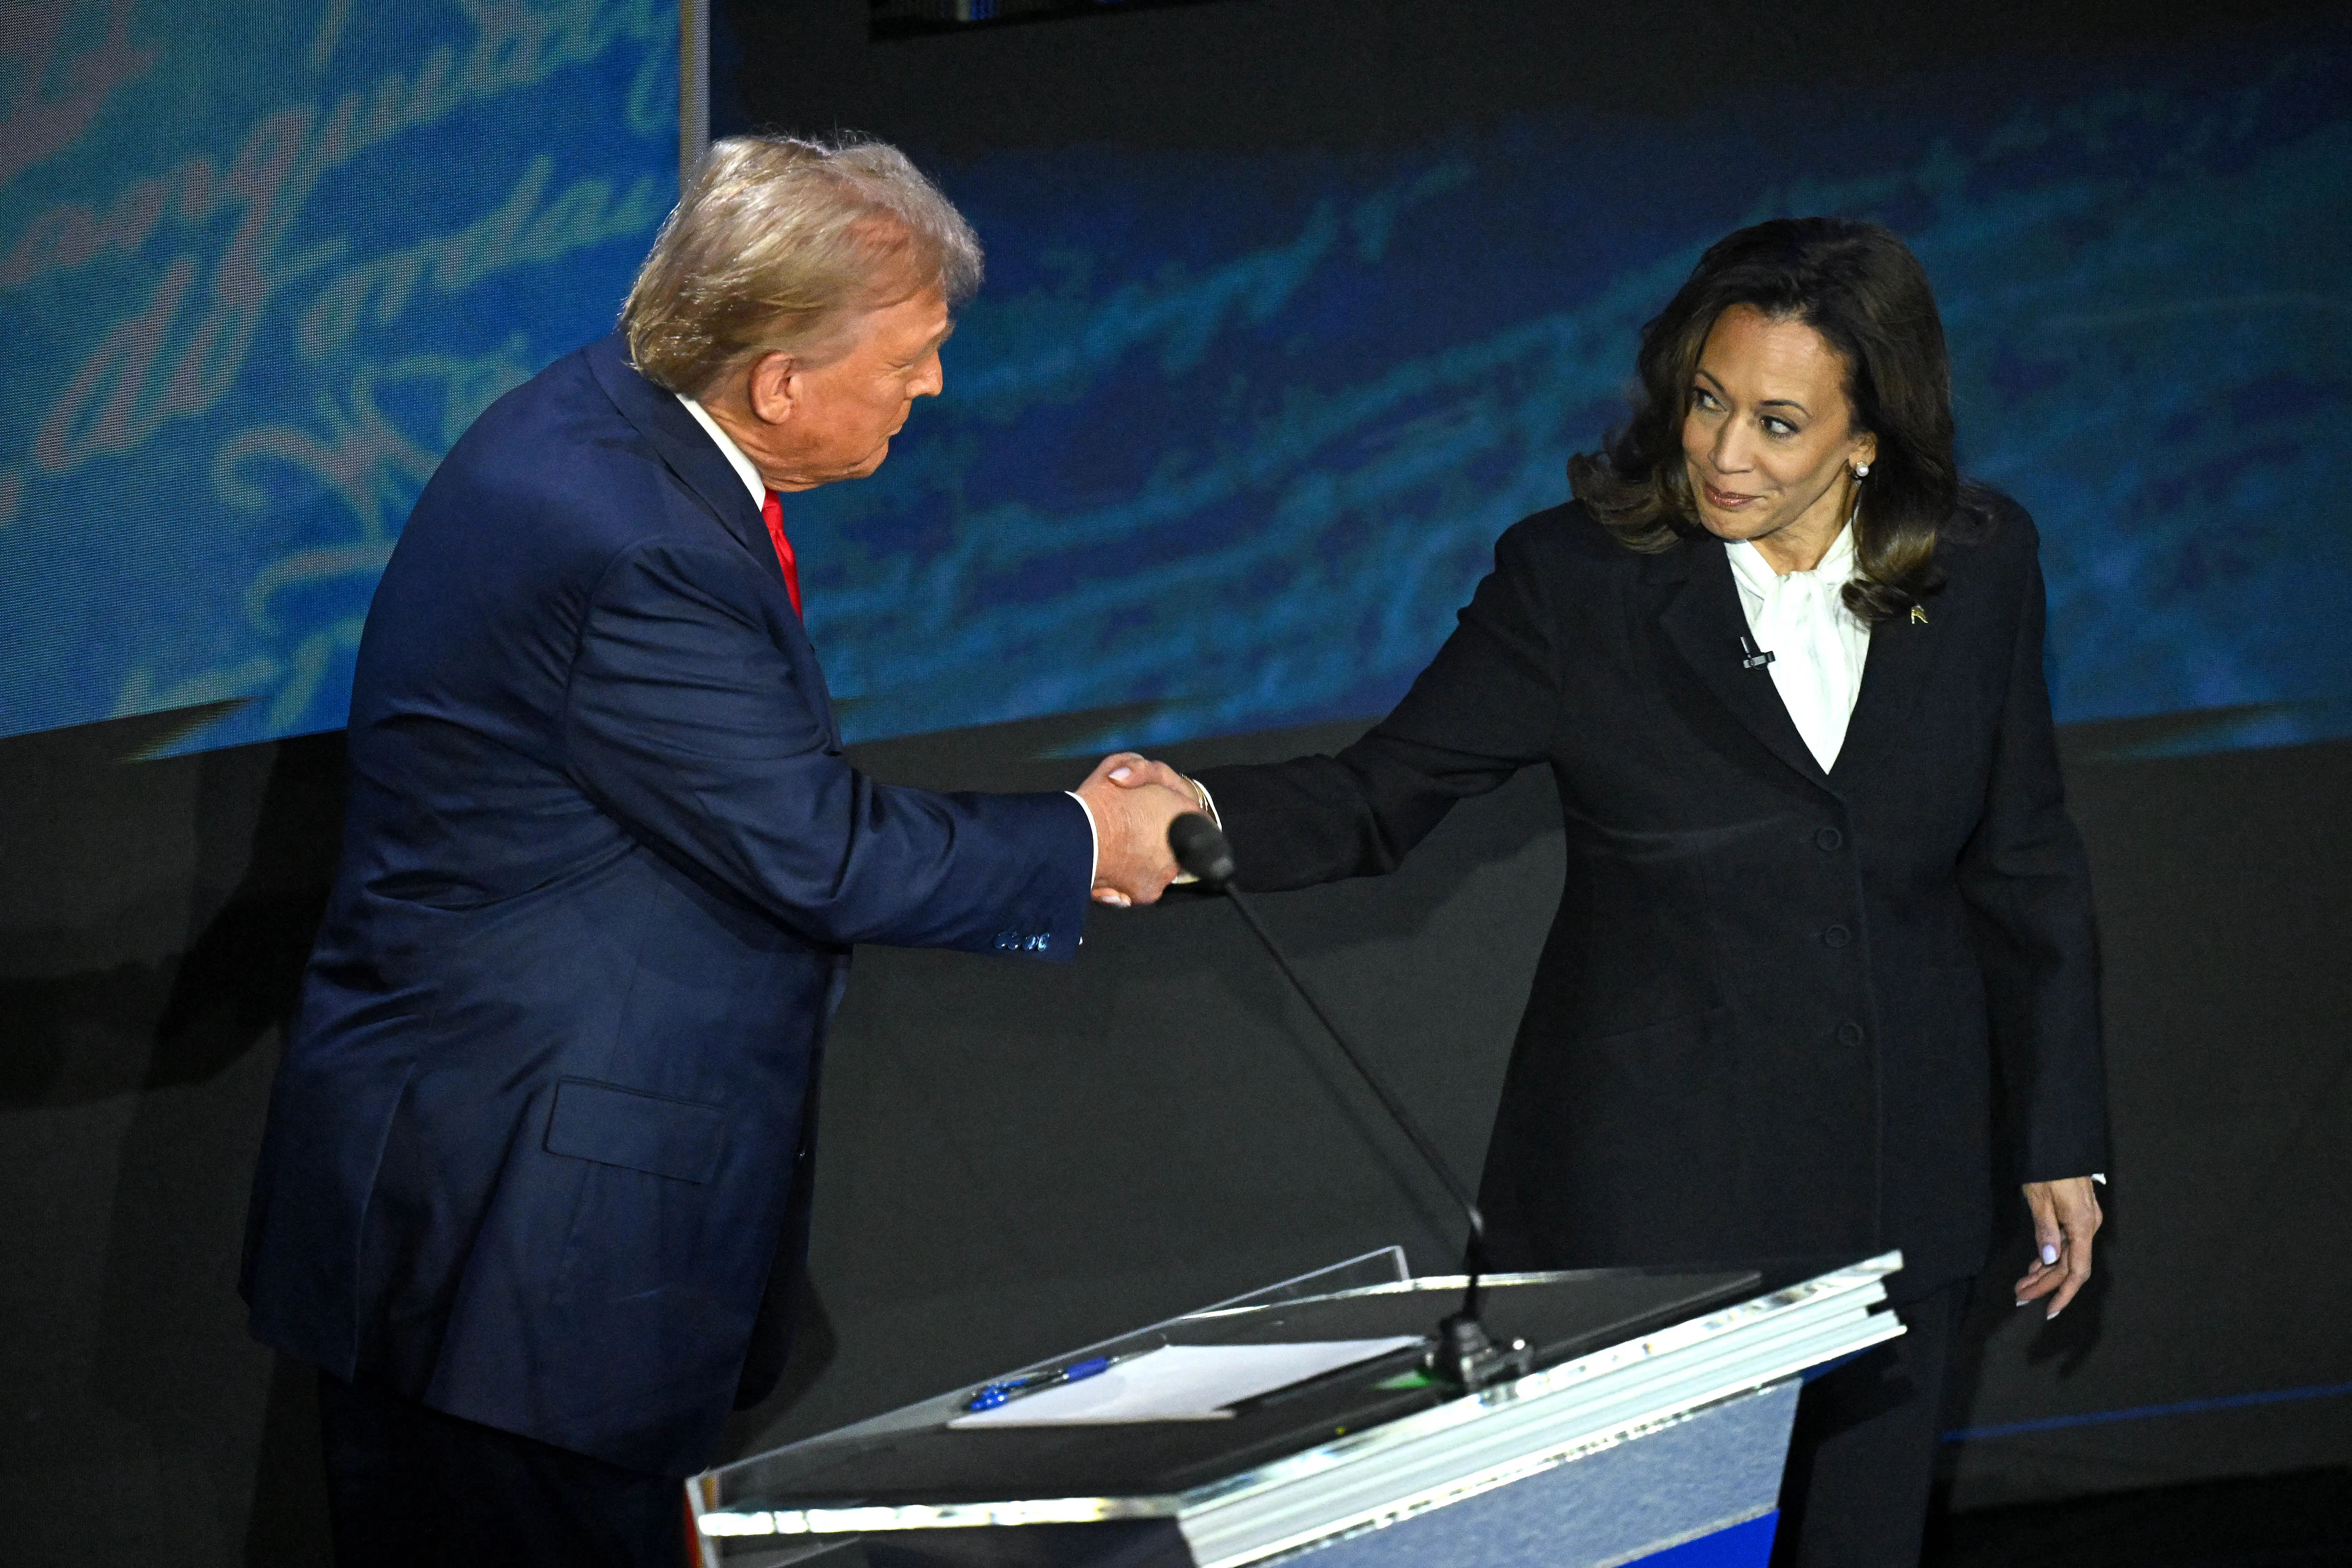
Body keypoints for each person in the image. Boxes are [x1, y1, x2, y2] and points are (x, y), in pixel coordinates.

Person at [238, 135, 1196, 1568]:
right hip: (525, 1253)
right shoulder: (640, 546)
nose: (932, 388)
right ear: (780, 381)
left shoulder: (601, 420)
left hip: (484, 1205)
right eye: (911, 359)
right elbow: (813, 844)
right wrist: (1086, 840)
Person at [1115, 217, 2108, 1566]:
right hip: (1652, 1212)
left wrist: (2060, 1132)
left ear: (1867, 435)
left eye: (1777, 421)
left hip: (1906, 1186)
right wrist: (1190, 821)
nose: (1724, 452)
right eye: (1707, 400)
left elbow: (2025, 857)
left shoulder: (1983, 562)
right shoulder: (1575, 581)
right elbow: (1379, 794)